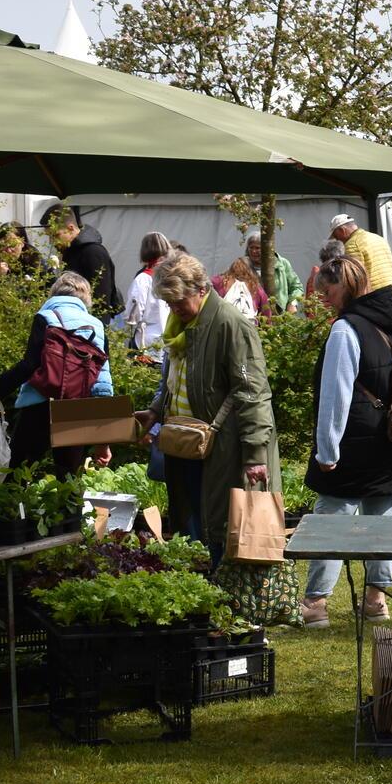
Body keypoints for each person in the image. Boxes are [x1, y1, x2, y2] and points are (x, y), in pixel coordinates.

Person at [135, 253, 280, 566]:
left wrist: (255, 453)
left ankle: (224, 598)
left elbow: (252, 392)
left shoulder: (230, 324)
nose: (173, 310)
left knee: (217, 527)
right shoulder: (181, 324)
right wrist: (155, 410)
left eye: (178, 302)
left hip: (218, 446)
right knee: (189, 528)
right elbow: (176, 378)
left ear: (200, 289)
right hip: (182, 441)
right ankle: (198, 594)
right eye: (168, 303)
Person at [298, 256, 392, 629]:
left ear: (344, 287)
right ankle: (376, 600)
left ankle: (316, 603)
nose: (325, 300)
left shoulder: (345, 330)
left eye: (328, 292)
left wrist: (327, 450)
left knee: (331, 517)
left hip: (356, 437)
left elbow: (335, 393)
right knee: (383, 517)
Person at [0, 269, 117, 474]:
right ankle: (67, 507)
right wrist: (103, 440)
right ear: (86, 298)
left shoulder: (46, 317)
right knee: (69, 477)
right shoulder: (96, 325)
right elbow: (103, 384)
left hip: (39, 403)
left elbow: (29, 365)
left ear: (54, 294)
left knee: (19, 470)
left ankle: (14, 506)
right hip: (77, 408)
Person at [40, 204, 123, 318]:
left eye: (55, 235)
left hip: (91, 325)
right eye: (49, 237)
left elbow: (101, 300)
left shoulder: (93, 252)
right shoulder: (71, 251)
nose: (52, 241)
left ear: (71, 228)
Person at [122, 231, 173, 354]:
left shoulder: (143, 279)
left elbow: (133, 314)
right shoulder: (172, 276)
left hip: (146, 341)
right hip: (170, 338)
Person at [329, 213, 392, 295]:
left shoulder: (352, 245)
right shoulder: (378, 238)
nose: (337, 240)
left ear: (342, 230)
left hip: (375, 298)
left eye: (336, 236)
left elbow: (356, 280)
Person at [246, 232, 303, 316]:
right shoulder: (243, 266)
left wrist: (293, 303)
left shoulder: (281, 264)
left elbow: (297, 287)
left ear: (266, 249)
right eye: (251, 248)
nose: (254, 251)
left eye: (257, 248)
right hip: (253, 316)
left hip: (278, 316)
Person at [0, 221, 46, 285]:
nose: (9, 250)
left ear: (22, 243)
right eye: (3, 246)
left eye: (13, 245)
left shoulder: (35, 259)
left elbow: (51, 288)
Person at [212, 257, 267, 322]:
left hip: (224, 326)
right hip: (249, 328)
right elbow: (266, 317)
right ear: (251, 272)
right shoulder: (256, 289)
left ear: (231, 270)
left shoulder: (220, 282)